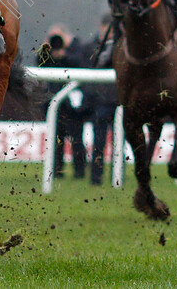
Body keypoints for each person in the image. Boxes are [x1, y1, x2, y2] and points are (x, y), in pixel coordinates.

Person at [37, 23, 88, 179]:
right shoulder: (48, 50)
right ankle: (57, 171)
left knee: (76, 138)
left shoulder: (76, 47)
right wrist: (46, 47)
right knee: (55, 139)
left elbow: (80, 63)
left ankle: (79, 172)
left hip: (72, 104)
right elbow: (38, 62)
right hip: (54, 102)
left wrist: (64, 54)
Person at [80, 14, 119, 186]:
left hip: (118, 102)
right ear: (102, 28)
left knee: (120, 142)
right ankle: (95, 178)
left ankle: (118, 177)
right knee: (99, 143)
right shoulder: (89, 47)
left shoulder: (121, 47)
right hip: (99, 101)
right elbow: (86, 69)